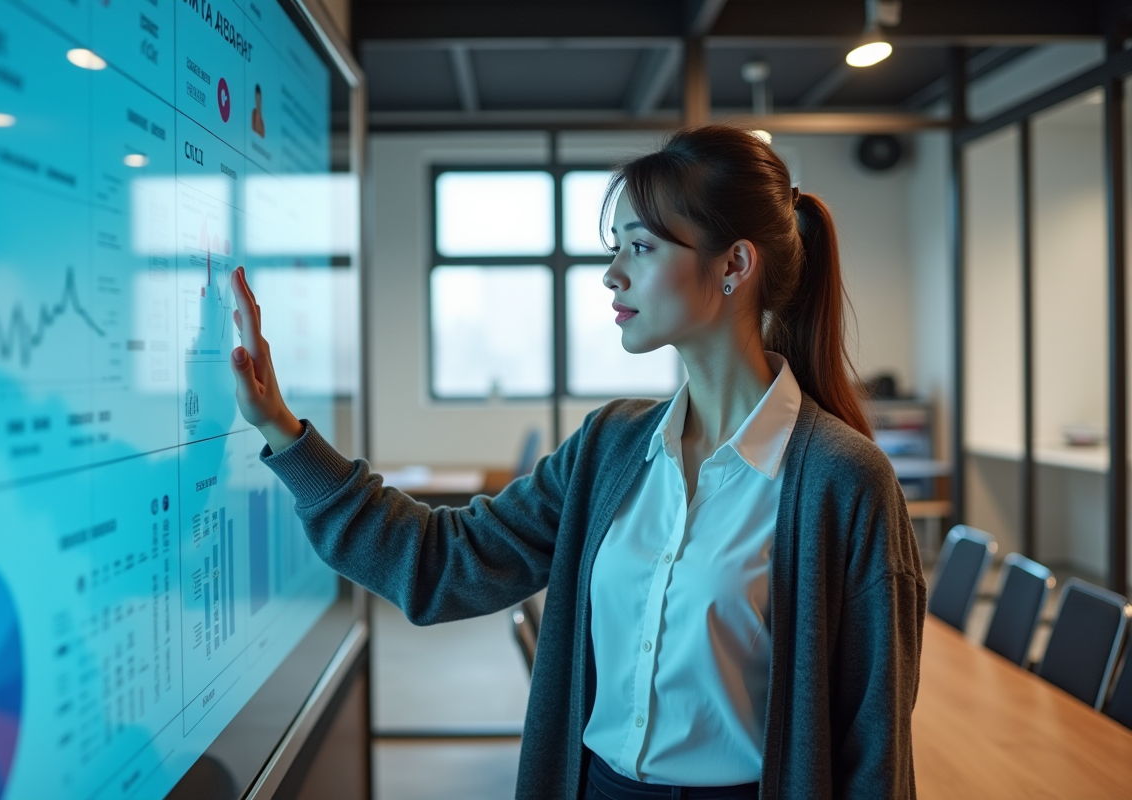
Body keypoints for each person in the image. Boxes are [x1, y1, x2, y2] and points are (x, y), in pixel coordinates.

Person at [227, 125, 925, 800]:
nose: (612, 274)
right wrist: (285, 434)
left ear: (735, 265)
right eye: (615, 247)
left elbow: (874, 752)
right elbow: (440, 564)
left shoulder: (844, 480)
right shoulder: (609, 448)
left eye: (641, 248)